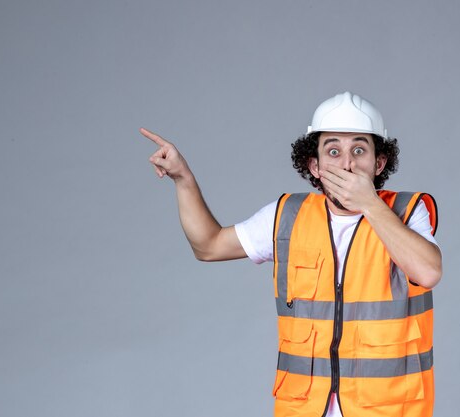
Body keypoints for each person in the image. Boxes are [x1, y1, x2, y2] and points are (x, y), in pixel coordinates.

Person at [140, 91, 442, 417]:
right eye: (333, 151)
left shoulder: (407, 212)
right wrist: (183, 179)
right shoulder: (287, 216)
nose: (347, 163)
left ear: (378, 162)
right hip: (303, 409)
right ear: (315, 165)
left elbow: (428, 272)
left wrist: (369, 203)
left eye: (359, 150)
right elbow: (209, 246)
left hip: (388, 410)